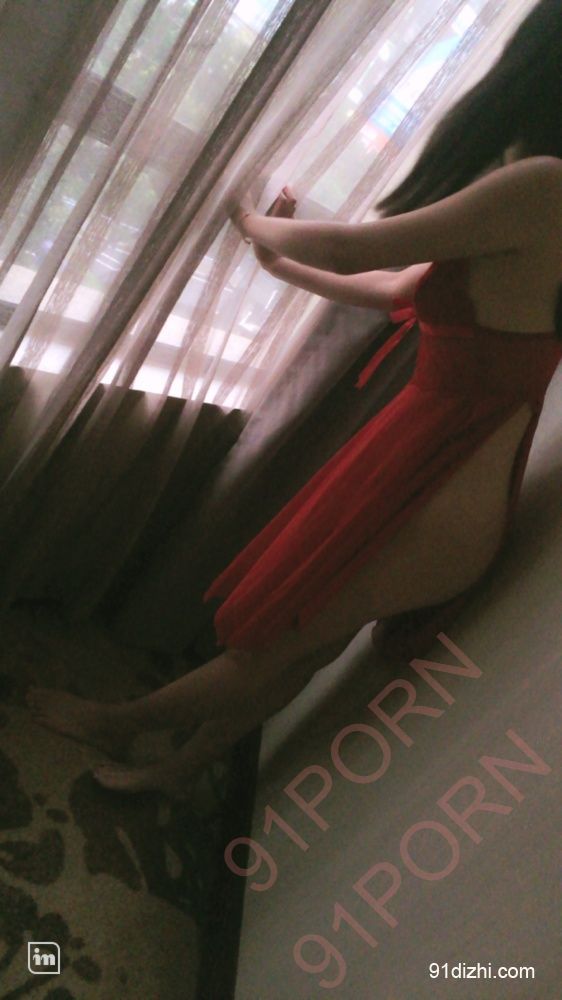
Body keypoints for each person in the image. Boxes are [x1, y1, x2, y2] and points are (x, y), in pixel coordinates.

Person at [27, 0, 562, 798]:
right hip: (436, 469)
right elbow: (399, 291)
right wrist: (283, 266)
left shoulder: (545, 186)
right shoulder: (539, 190)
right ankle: (177, 770)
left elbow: (355, 249)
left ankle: (121, 724)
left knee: (277, 646)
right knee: (301, 646)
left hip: (441, 487)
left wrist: (252, 222)